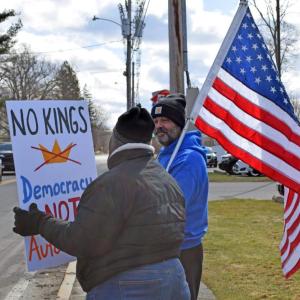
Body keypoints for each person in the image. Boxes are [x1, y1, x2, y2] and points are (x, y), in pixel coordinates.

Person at [13, 106, 191, 300]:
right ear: (148, 141)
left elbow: (81, 241)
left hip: (129, 285)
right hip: (175, 279)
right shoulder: (167, 179)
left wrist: (40, 222)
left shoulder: (110, 185)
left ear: (115, 140)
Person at [151, 94, 208, 300]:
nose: (159, 126)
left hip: (183, 249)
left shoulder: (189, 158)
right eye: (156, 121)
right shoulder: (166, 154)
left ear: (179, 123)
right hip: (164, 245)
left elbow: (172, 204)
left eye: (165, 120)